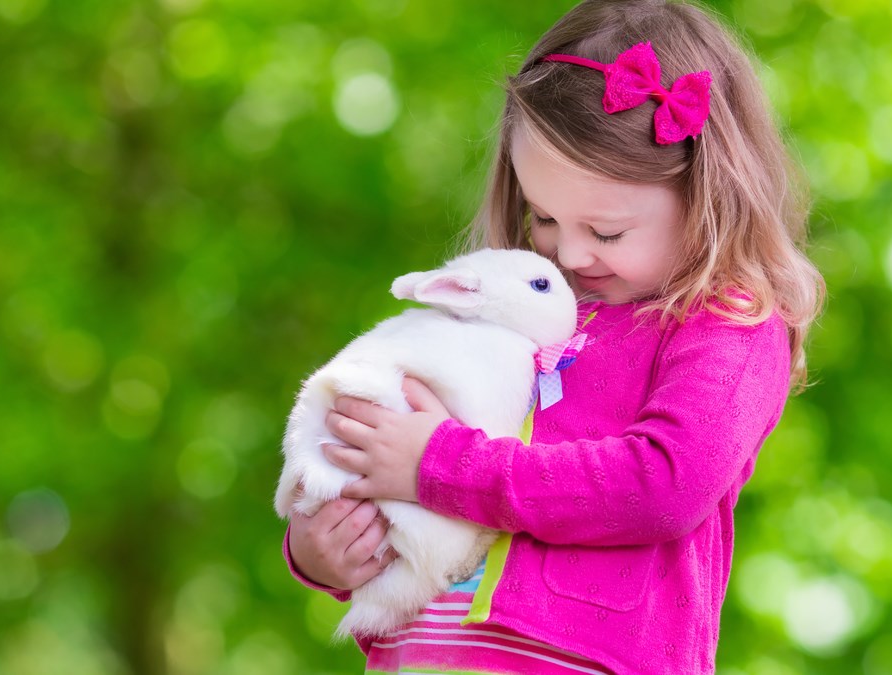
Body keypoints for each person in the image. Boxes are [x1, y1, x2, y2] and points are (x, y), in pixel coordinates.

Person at [283, 0, 824, 672]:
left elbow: (664, 482)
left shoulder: (728, 321)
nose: (569, 255)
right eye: (543, 217)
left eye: (606, 232)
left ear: (708, 194)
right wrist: (324, 548)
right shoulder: (513, 307)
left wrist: (446, 465)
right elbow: (402, 450)